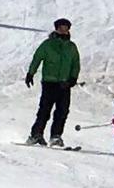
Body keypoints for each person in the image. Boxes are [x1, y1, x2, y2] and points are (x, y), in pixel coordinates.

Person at [24, 18, 80, 147]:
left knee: (62, 111)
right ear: (56, 29)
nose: (63, 30)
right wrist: (30, 73)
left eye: (66, 28)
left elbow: (75, 64)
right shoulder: (48, 44)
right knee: (44, 110)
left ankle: (56, 136)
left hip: (64, 84)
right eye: (61, 28)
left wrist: (73, 78)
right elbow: (37, 57)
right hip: (50, 82)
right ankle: (36, 134)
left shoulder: (71, 47)